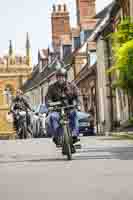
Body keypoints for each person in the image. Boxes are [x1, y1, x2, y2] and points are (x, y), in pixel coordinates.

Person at [45, 68, 80, 150]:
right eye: (59, 77)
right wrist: (49, 104)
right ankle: (57, 137)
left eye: (62, 77)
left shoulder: (71, 86)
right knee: (52, 117)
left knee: (74, 114)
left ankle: (74, 135)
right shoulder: (52, 87)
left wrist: (78, 104)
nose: (61, 78)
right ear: (57, 78)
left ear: (65, 77)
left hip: (69, 109)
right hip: (57, 110)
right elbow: (47, 98)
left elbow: (78, 95)